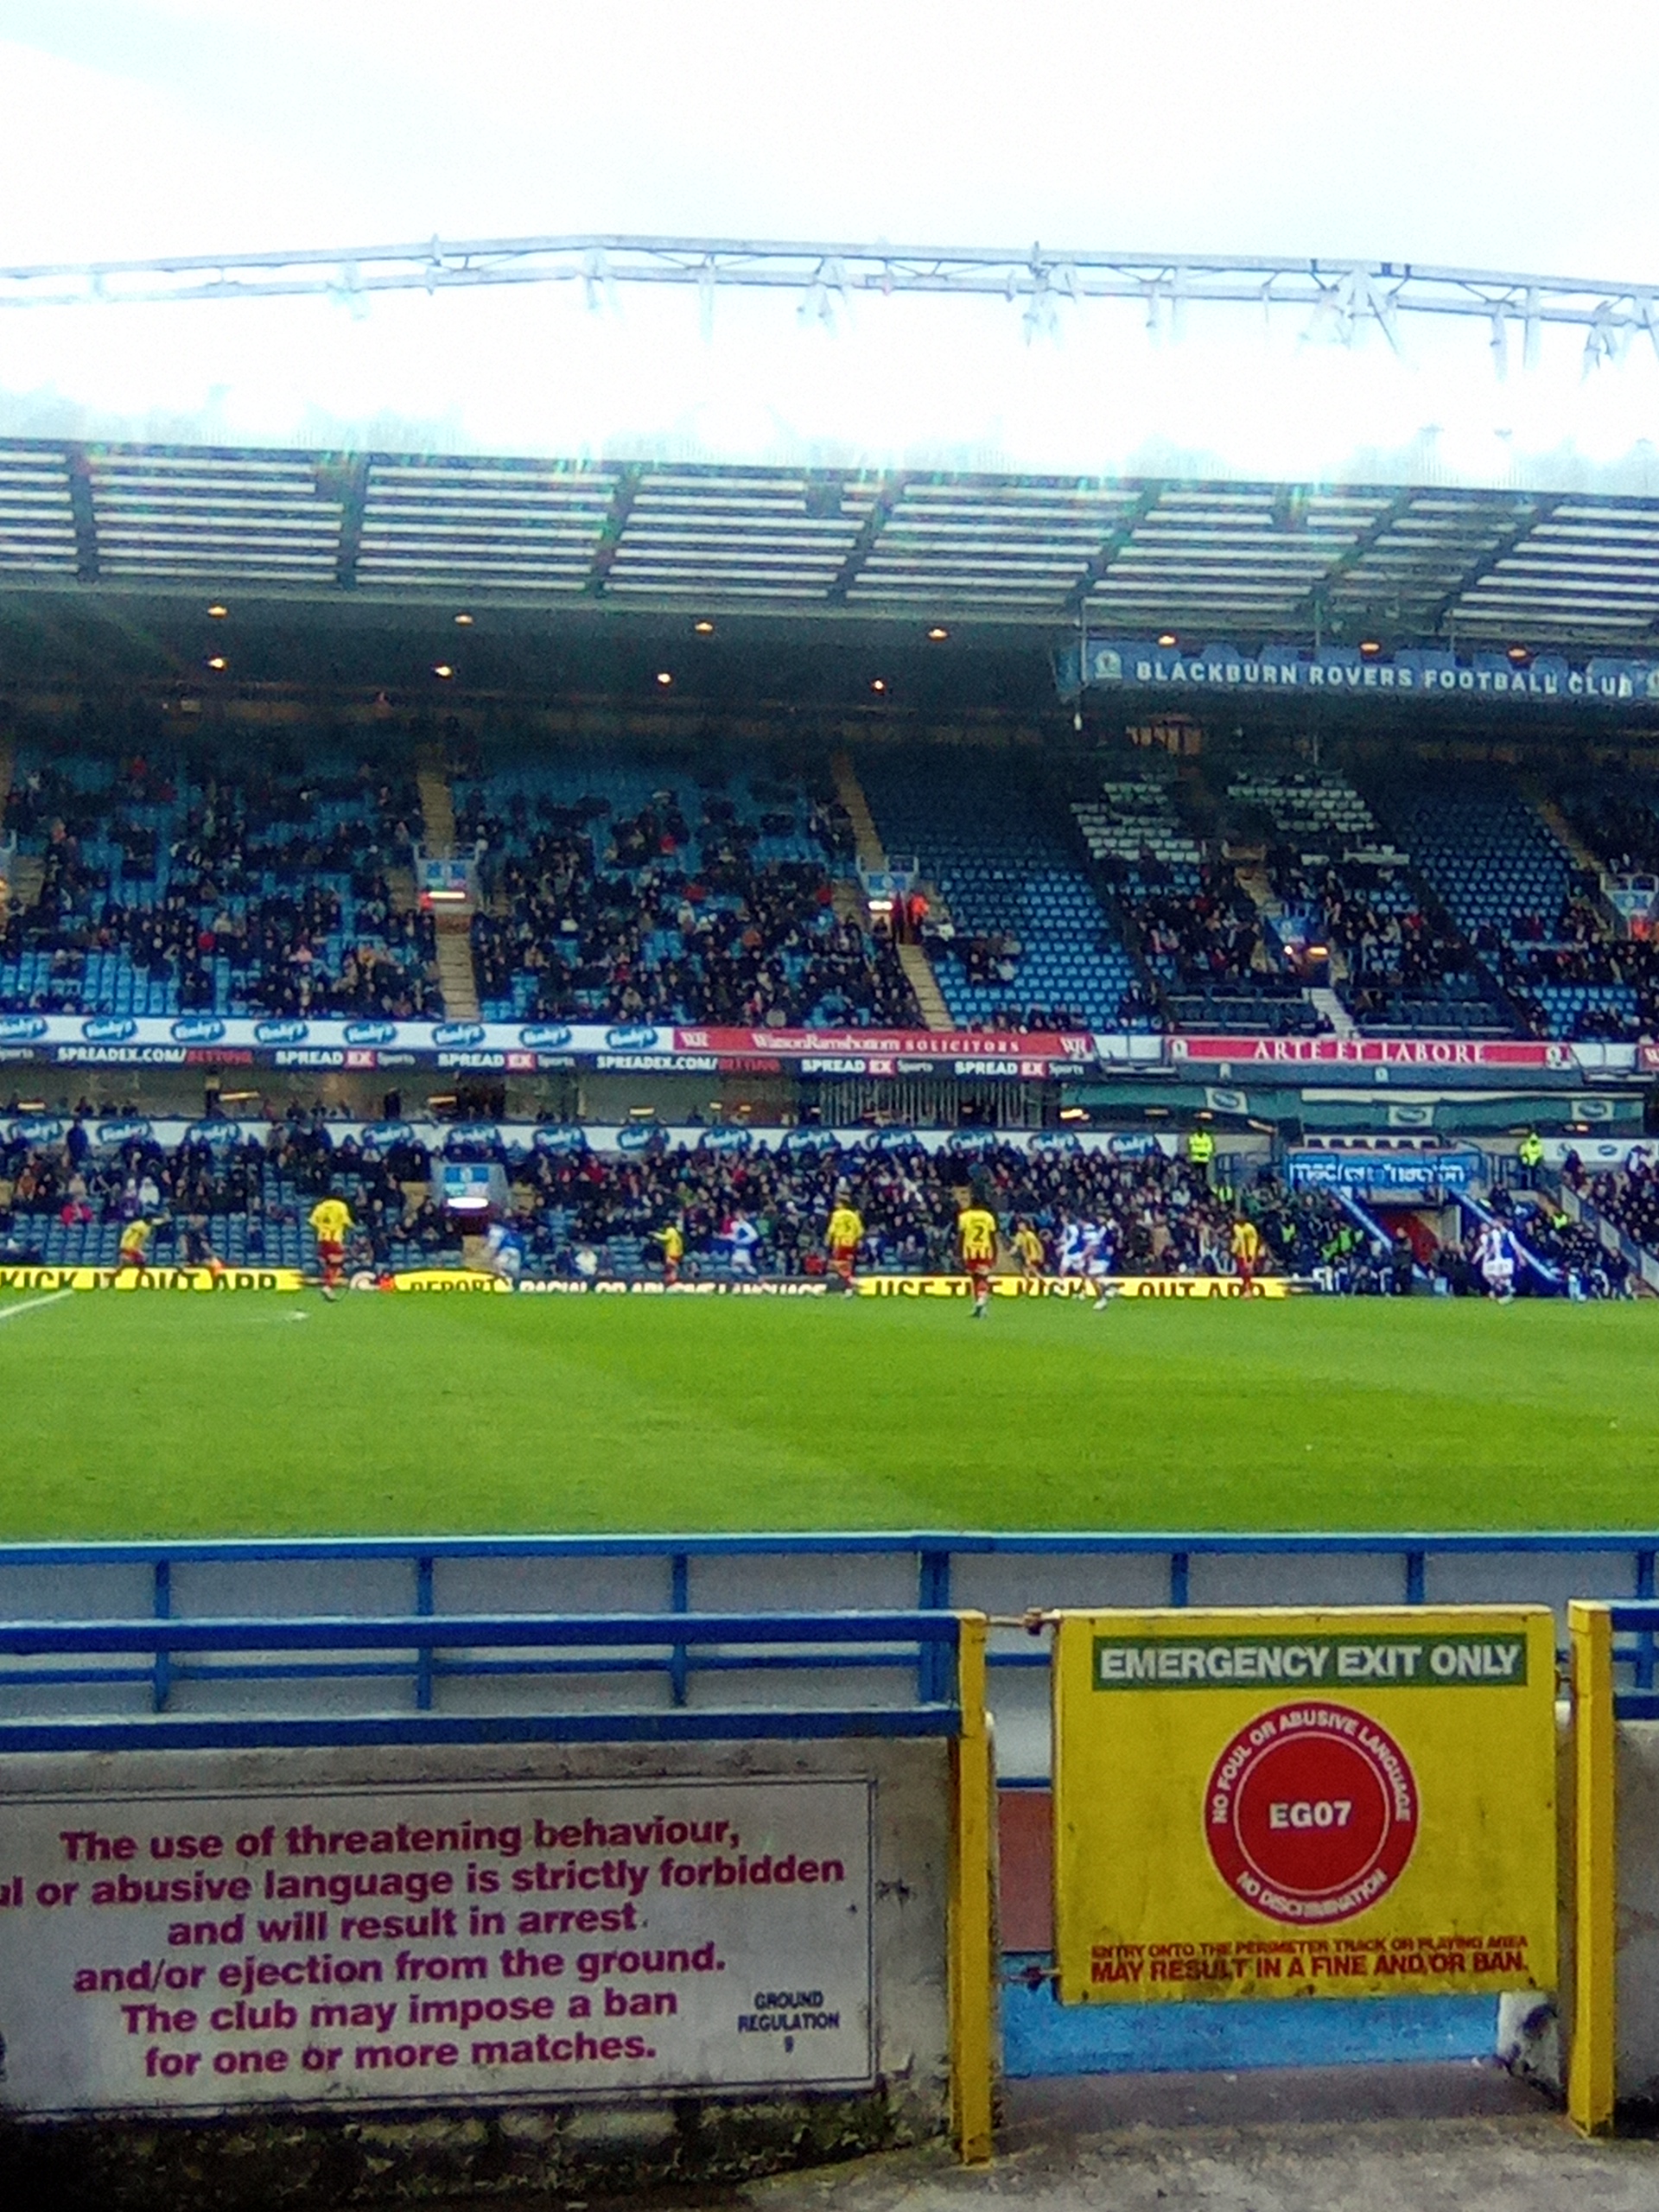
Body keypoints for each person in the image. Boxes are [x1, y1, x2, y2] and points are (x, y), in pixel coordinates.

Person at [957, 1191, 1000, 1319]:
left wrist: (958, 1252)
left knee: (974, 1278)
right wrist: (995, 1253)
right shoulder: (988, 1217)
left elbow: (961, 1236)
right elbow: (992, 1237)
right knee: (983, 1277)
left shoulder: (965, 1216)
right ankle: (980, 1303)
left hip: (970, 1252)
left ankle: (979, 1305)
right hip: (984, 1251)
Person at [308, 1192, 353, 1300]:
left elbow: (312, 1222)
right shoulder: (341, 1206)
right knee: (337, 1265)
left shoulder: (320, 1207)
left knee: (330, 1265)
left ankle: (327, 1286)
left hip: (322, 1240)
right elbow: (347, 1222)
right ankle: (328, 1286)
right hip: (334, 1240)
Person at [825, 1187, 864, 1290]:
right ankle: (849, 1285)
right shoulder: (854, 1215)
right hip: (851, 1243)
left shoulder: (837, 1215)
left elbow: (832, 1230)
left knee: (839, 1264)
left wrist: (828, 1240)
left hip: (840, 1243)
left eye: (838, 1203)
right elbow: (860, 1231)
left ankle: (848, 1283)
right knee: (848, 1264)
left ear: (842, 1204)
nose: (836, 1205)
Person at [1476, 1219, 1516, 1301]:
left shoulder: (1499, 1234)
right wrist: (1477, 1256)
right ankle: (1501, 1290)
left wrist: (1489, 1254)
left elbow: (1495, 1246)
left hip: (1498, 1258)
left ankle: (1503, 1291)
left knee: (1500, 1275)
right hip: (1492, 1259)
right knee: (1491, 1276)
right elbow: (1485, 1247)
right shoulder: (1486, 1236)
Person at [1229, 1212, 1263, 1295]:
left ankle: (1248, 1290)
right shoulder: (1236, 1227)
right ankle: (1245, 1289)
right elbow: (1237, 1240)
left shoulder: (1250, 1228)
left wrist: (1251, 1254)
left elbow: (1253, 1241)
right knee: (1243, 1272)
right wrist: (1233, 1250)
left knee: (1248, 1272)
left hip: (1248, 1254)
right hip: (1240, 1254)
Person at [484, 1217, 524, 1287]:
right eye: (513, 1229)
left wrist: (496, 1253)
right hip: (512, 1251)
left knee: (508, 1269)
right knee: (503, 1266)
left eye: (515, 1229)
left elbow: (499, 1245)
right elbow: (501, 1244)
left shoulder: (509, 1234)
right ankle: (510, 1281)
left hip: (511, 1250)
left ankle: (511, 1283)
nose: (514, 1230)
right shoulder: (508, 1234)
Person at [116, 1214, 153, 1280]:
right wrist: (122, 1245)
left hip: (135, 1247)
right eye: (150, 1219)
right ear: (146, 1219)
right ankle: (140, 1274)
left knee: (140, 1260)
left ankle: (118, 1272)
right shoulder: (138, 1225)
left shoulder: (147, 1226)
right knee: (143, 1258)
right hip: (130, 1246)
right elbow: (126, 1235)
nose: (151, 1221)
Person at [649, 1219, 684, 1287]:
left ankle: (671, 1280)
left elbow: (666, 1238)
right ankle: (672, 1279)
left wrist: (655, 1234)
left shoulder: (670, 1230)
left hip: (672, 1253)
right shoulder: (676, 1232)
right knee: (671, 1267)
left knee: (671, 1267)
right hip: (676, 1253)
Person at [1012, 1218, 1045, 1283]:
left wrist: (1041, 1255)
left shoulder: (1030, 1235)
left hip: (1034, 1255)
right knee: (1025, 1269)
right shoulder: (1019, 1235)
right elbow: (1017, 1245)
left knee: (1028, 1265)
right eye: (1019, 1225)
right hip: (1026, 1255)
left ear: (1025, 1226)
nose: (1019, 1227)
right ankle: (1030, 1281)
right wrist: (1012, 1250)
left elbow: (1038, 1245)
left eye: (1021, 1225)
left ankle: (1039, 1276)